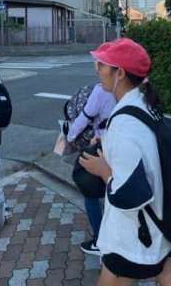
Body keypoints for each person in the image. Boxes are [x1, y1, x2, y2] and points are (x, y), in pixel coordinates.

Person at [80, 38, 171, 286]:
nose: (97, 70)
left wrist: (103, 170)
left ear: (119, 73)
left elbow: (131, 193)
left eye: (101, 65)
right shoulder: (146, 105)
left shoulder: (125, 123)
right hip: (166, 217)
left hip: (136, 230)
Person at [66, 73, 116, 256]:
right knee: (114, 191)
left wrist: (70, 137)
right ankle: (115, 236)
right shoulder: (135, 90)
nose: (97, 70)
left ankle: (100, 240)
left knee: (90, 191)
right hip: (120, 146)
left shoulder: (102, 90)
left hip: (102, 146)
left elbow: (84, 117)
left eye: (101, 65)